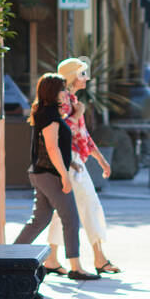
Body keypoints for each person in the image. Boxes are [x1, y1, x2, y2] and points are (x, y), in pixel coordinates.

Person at [13, 73, 100, 280]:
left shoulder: (46, 112)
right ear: (53, 92)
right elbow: (52, 148)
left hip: (41, 172)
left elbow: (51, 146)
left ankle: (10, 256)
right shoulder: (50, 115)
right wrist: (64, 175)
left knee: (40, 219)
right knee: (70, 218)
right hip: (49, 174)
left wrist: (70, 163)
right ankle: (76, 267)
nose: (65, 92)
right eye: (62, 89)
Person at [46, 57, 122, 275]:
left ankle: (51, 258)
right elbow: (57, 130)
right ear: (71, 76)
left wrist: (101, 159)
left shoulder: (73, 100)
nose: (86, 78)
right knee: (90, 205)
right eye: (82, 73)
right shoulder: (64, 102)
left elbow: (84, 135)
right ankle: (99, 258)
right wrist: (77, 115)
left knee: (64, 211)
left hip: (75, 160)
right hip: (68, 162)